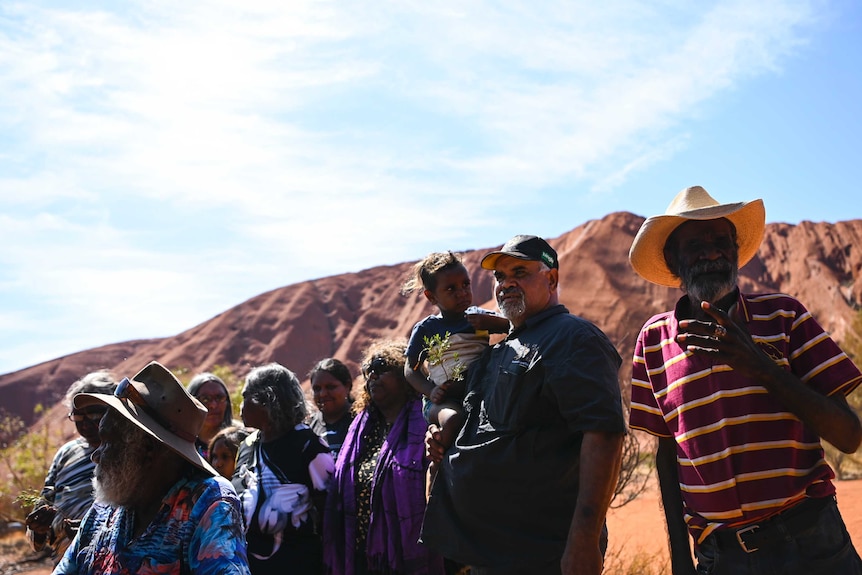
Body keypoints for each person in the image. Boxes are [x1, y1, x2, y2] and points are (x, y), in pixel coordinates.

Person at [628, 185, 862, 575]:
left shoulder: (784, 317)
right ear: (672, 259)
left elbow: (850, 435)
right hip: (722, 558)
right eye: (695, 244)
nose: (712, 252)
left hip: (811, 544)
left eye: (721, 240)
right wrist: (681, 563)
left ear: (736, 250)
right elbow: (668, 458)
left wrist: (761, 368)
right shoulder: (653, 343)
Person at [421, 235, 626, 575]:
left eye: (520, 271)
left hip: (542, 553)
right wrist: (443, 436)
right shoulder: (501, 349)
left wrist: (584, 540)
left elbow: (603, 436)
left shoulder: (572, 338)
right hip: (488, 552)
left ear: (552, 279)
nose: (506, 283)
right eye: (499, 277)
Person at [53, 360, 250, 575]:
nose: (96, 455)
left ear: (147, 449)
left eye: (108, 442)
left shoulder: (207, 501)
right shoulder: (105, 508)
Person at [323, 339, 445, 575]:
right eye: (369, 372)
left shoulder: (426, 422)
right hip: (359, 556)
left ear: (406, 374)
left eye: (381, 368)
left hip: (408, 555)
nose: (373, 377)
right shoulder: (359, 427)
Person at [401, 251, 509, 467]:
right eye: (451, 289)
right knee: (453, 420)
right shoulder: (428, 329)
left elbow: (511, 326)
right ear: (431, 297)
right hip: (441, 402)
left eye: (465, 284)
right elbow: (410, 369)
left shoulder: (478, 318)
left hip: (478, 394)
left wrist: (492, 323)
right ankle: (439, 468)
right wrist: (431, 391)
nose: (462, 292)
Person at [232, 363, 334, 575]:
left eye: (246, 397)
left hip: (296, 566)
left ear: (267, 400)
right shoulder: (247, 446)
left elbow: (330, 512)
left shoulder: (308, 445)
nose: (241, 407)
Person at [25, 371, 117, 564]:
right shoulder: (66, 453)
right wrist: (39, 528)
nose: (85, 425)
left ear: (113, 410)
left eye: (93, 415)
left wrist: (93, 530)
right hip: (66, 563)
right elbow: (44, 503)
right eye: (77, 417)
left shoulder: (129, 451)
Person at [307, 358, 355, 455]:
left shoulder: (363, 422)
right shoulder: (309, 428)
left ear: (348, 386)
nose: (323, 394)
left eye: (330, 387)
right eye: (317, 389)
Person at [187, 371, 237, 459]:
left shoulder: (239, 438)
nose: (213, 405)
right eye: (205, 399)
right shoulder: (180, 441)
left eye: (219, 398)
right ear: (191, 402)